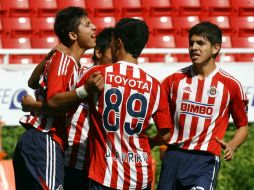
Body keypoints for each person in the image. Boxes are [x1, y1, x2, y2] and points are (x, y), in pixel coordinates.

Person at [76, 18, 172, 190]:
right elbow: (166, 134)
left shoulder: (97, 74)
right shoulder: (155, 85)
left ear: (118, 42)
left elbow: (63, 104)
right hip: (140, 177)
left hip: (105, 176)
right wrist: (150, 142)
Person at [13, 6, 101, 190]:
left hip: (41, 140)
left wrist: (34, 104)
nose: (94, 27)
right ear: (73, 35)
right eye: (87, 24)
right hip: (45, 137)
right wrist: (86, 90)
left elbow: (33, 83)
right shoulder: (64, 60)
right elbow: (55, 103)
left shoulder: (69, 62)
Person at [158, 21, 249, 190]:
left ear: (215, 48)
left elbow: (243, 126)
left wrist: (232, 145)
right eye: (191, 43)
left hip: (205, 160)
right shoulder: (173, 81)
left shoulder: (231, 86)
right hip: (173, 156)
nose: (193, 47)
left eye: (200, 43)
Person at [64, 27, 117, 190]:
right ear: (99, 53)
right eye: (114, 54)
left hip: (101, 166)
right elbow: (58, 104)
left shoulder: (119, 82)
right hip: (72, 159)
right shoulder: (84, 74)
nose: (119, 60)